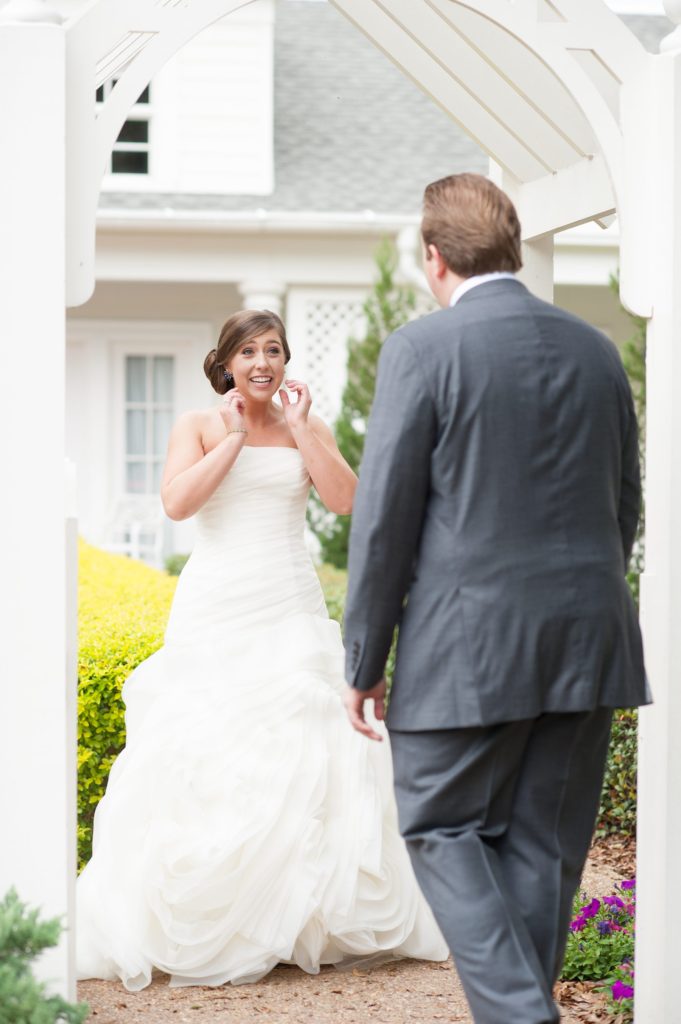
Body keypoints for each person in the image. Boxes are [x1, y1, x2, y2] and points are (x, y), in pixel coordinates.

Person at [342, 173, 649, 1024]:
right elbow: (622, 501)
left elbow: (383, 522)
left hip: (466, 649)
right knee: (542, 848)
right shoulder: (596, 348)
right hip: (588, 644)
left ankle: (522, 1017)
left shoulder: (422, 349)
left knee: (440, 827)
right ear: (511, 248)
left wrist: (364, 660)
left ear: (433, 258)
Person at [76, 308, 447, 991]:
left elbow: (346, 502)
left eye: (272, 349)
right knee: (208, 748)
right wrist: (236, 439)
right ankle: (218, 915)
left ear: (283, 362)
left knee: (313, 744)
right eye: (248, 350)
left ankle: (306, 917)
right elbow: (177, 505)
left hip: (290, 605)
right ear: (226, 363)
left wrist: (302, 432)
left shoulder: (308, 424)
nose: (261, 361)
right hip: (217, 604)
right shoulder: (197, 424)